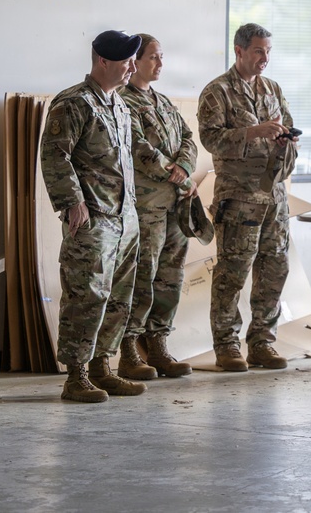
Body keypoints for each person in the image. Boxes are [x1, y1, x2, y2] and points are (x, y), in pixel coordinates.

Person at [40, 30, 148, 402]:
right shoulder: (74, 103)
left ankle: (103, 368)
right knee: (86, 295)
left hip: (125, 218)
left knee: (118, 297)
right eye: (126, 61)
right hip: (93, 219)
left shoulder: (119, 104)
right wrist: (73, 202)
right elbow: (55, 155)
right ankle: (77, 376)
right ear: (103, 61)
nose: (132, 68)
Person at [197, 22, 298, 372]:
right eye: (258, 51)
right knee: (233, 273)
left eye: (268, 51)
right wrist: (254, 132)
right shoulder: (217, 92)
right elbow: (211, 139)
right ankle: (226, 345)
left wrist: (285, 139)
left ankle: (262, 342)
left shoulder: (272, 89)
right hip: (239, 198)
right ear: (239, 51)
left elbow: (288, 126)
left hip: (274, 197)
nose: (264, 58)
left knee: (274, 269)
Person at [117, 34, 198, 380]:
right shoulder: (123, 101)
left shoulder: (163, 102)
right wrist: (177, 174)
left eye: (161, 57)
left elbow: (189, 139)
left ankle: (159, 346)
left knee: (170, 277)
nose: (160, 64)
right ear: (134, 61)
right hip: (146, 205)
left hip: (175, 205)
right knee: (141, 276)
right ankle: (129, 350)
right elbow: (139, 149)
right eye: (153, 57)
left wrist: (186, 167)